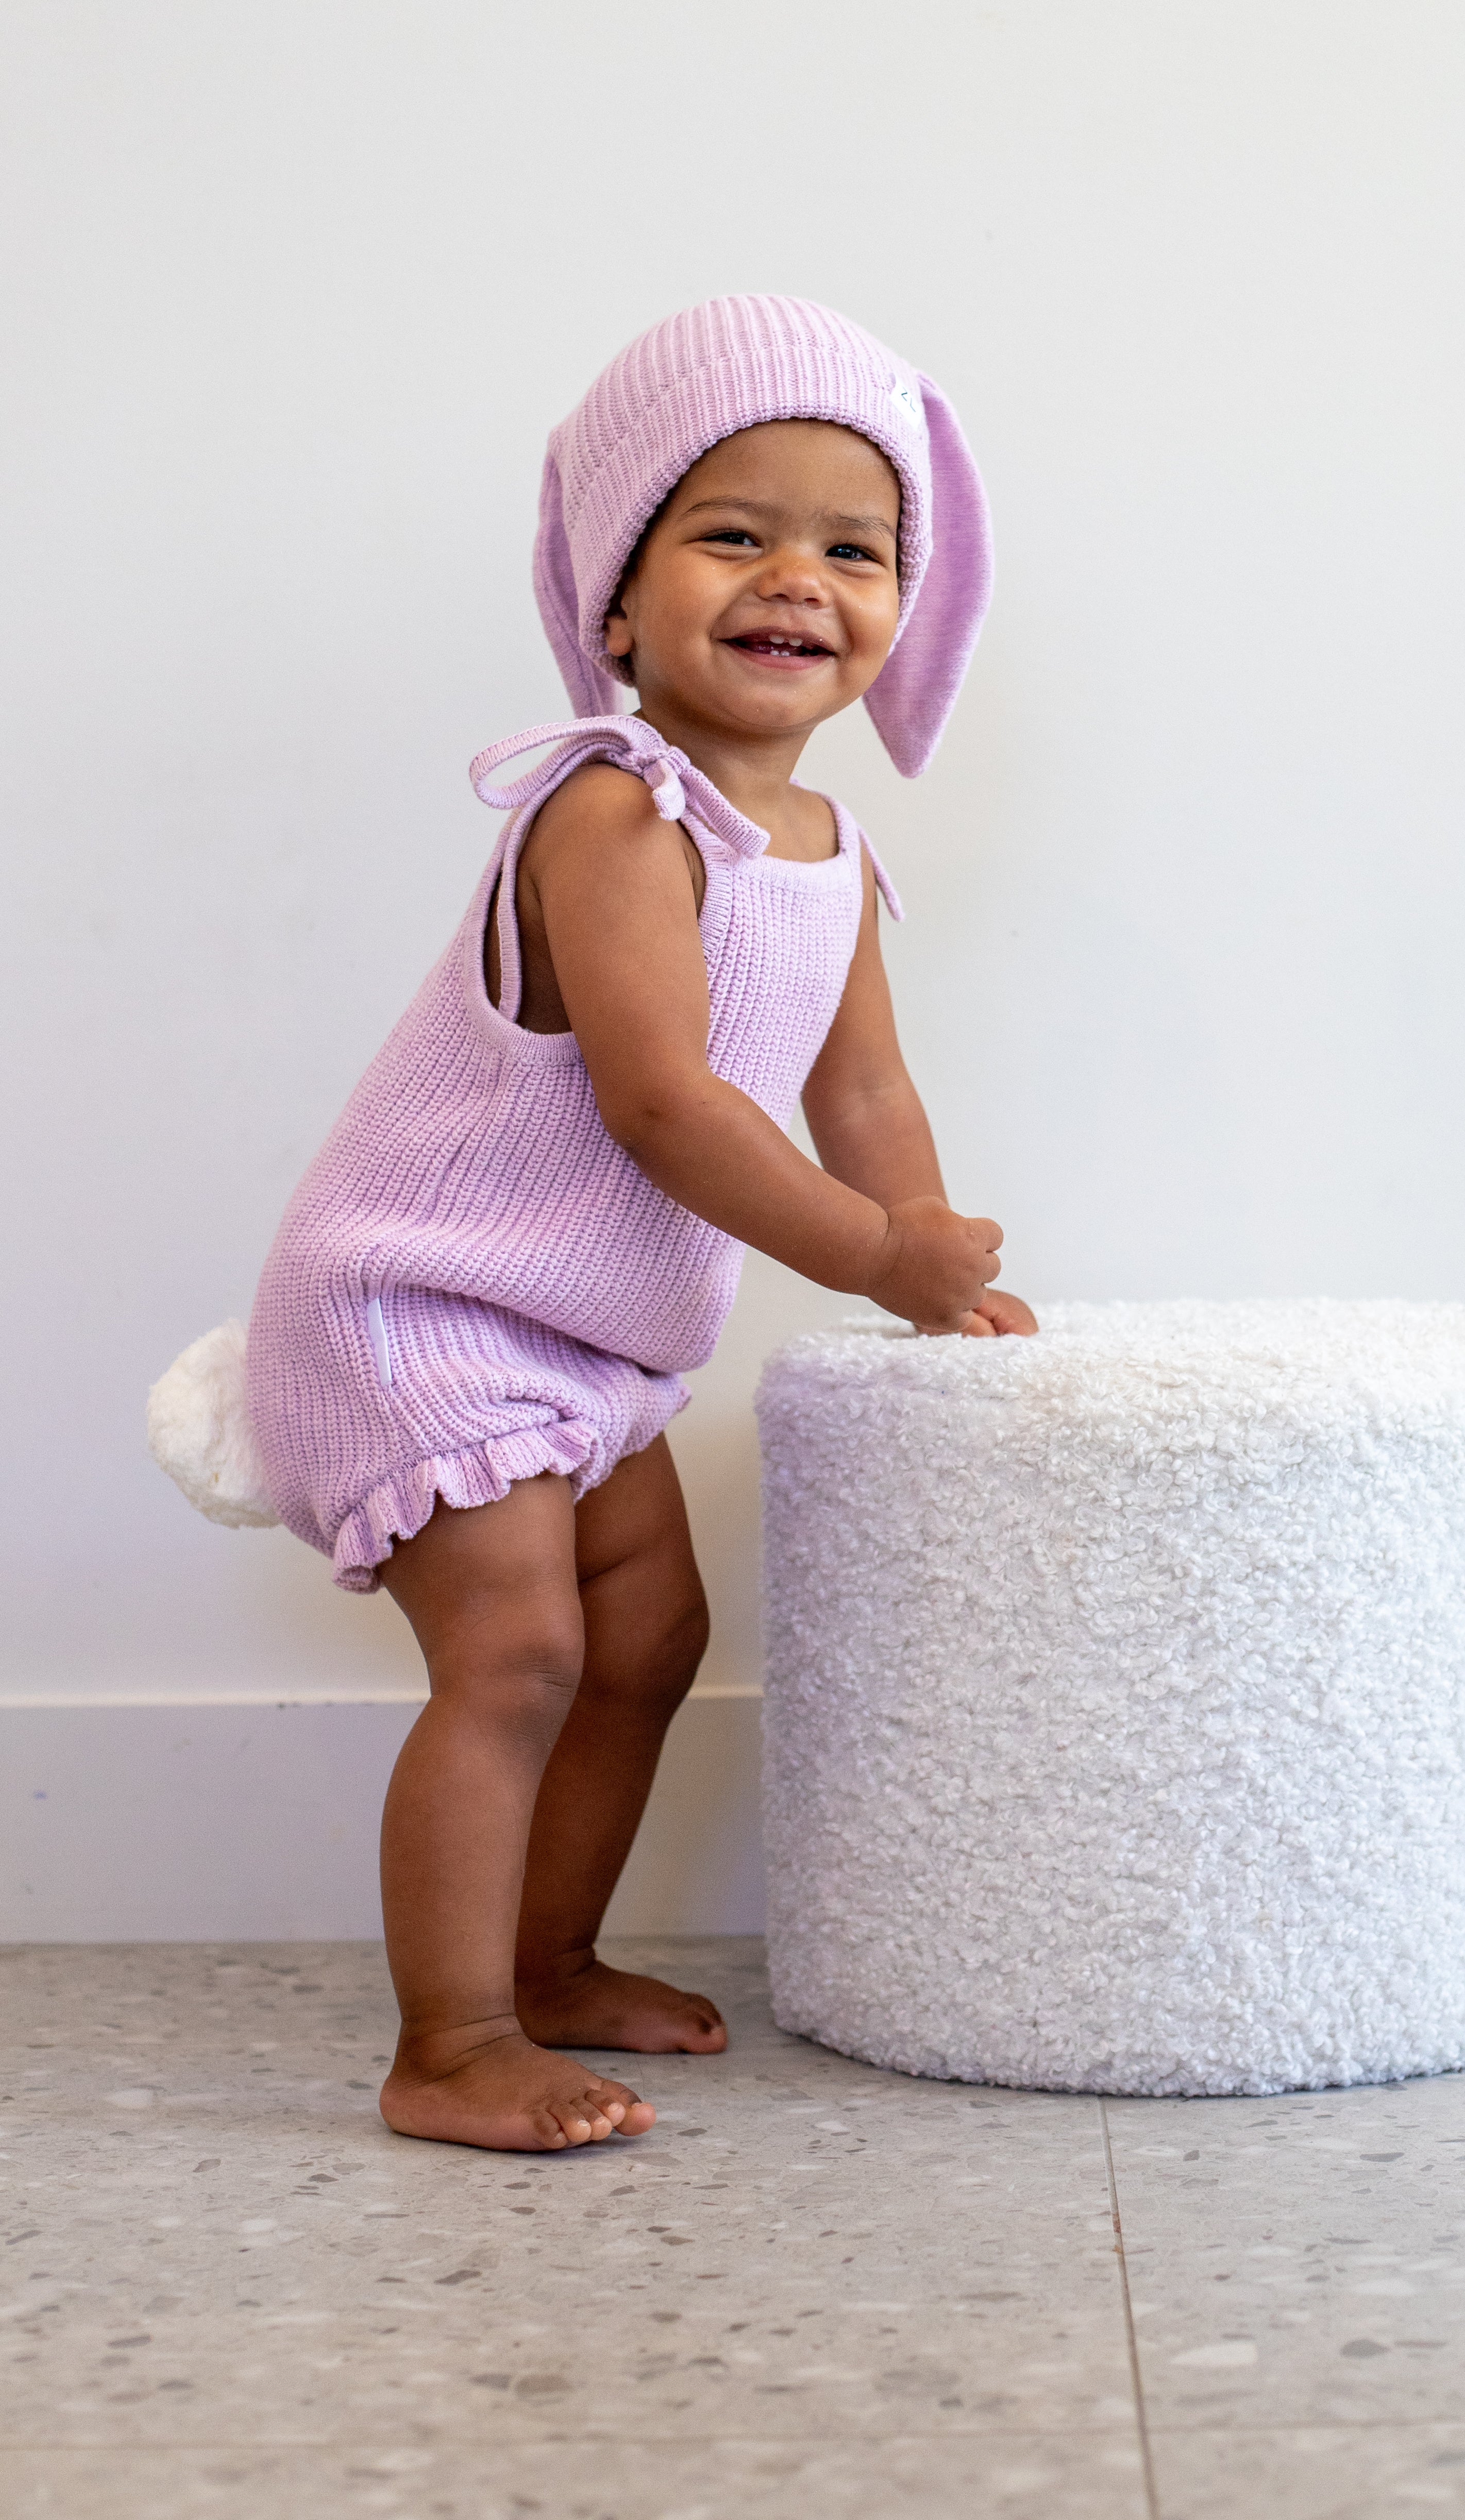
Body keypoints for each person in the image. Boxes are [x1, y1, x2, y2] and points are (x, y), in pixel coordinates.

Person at [246, 295, 1036, 2154]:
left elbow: (861, 1092)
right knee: (519, 1653)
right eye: (732, 533)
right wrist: (870, 1258)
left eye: (854, 549)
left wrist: (923, 1235)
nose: (796, 578)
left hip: (584, 1335)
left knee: (650, 1636)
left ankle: (548, 1963)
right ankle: (449, 2043)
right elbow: (663, 1102)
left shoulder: (826, 850)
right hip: (421, 1304)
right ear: (616, 603)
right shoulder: (613, 813)